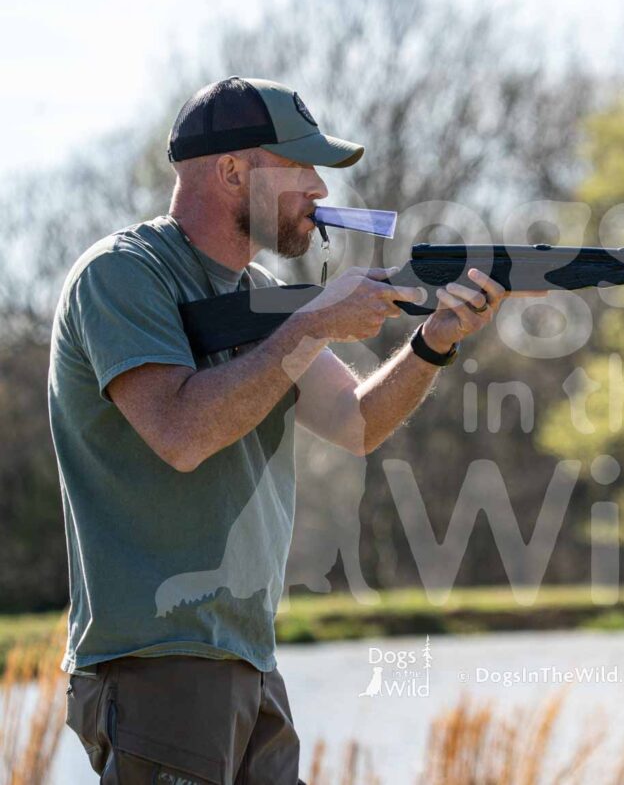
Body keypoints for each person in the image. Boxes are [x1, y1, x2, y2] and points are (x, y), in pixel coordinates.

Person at [49, 76, 515, 784]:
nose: (321, 191)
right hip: (157, 662)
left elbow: (359, 421)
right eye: (300, 167)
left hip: (249, 661)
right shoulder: (123, 275)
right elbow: (180, 431)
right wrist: (316, 323)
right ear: (233, 171)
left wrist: (434, 341)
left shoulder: (261, 296)